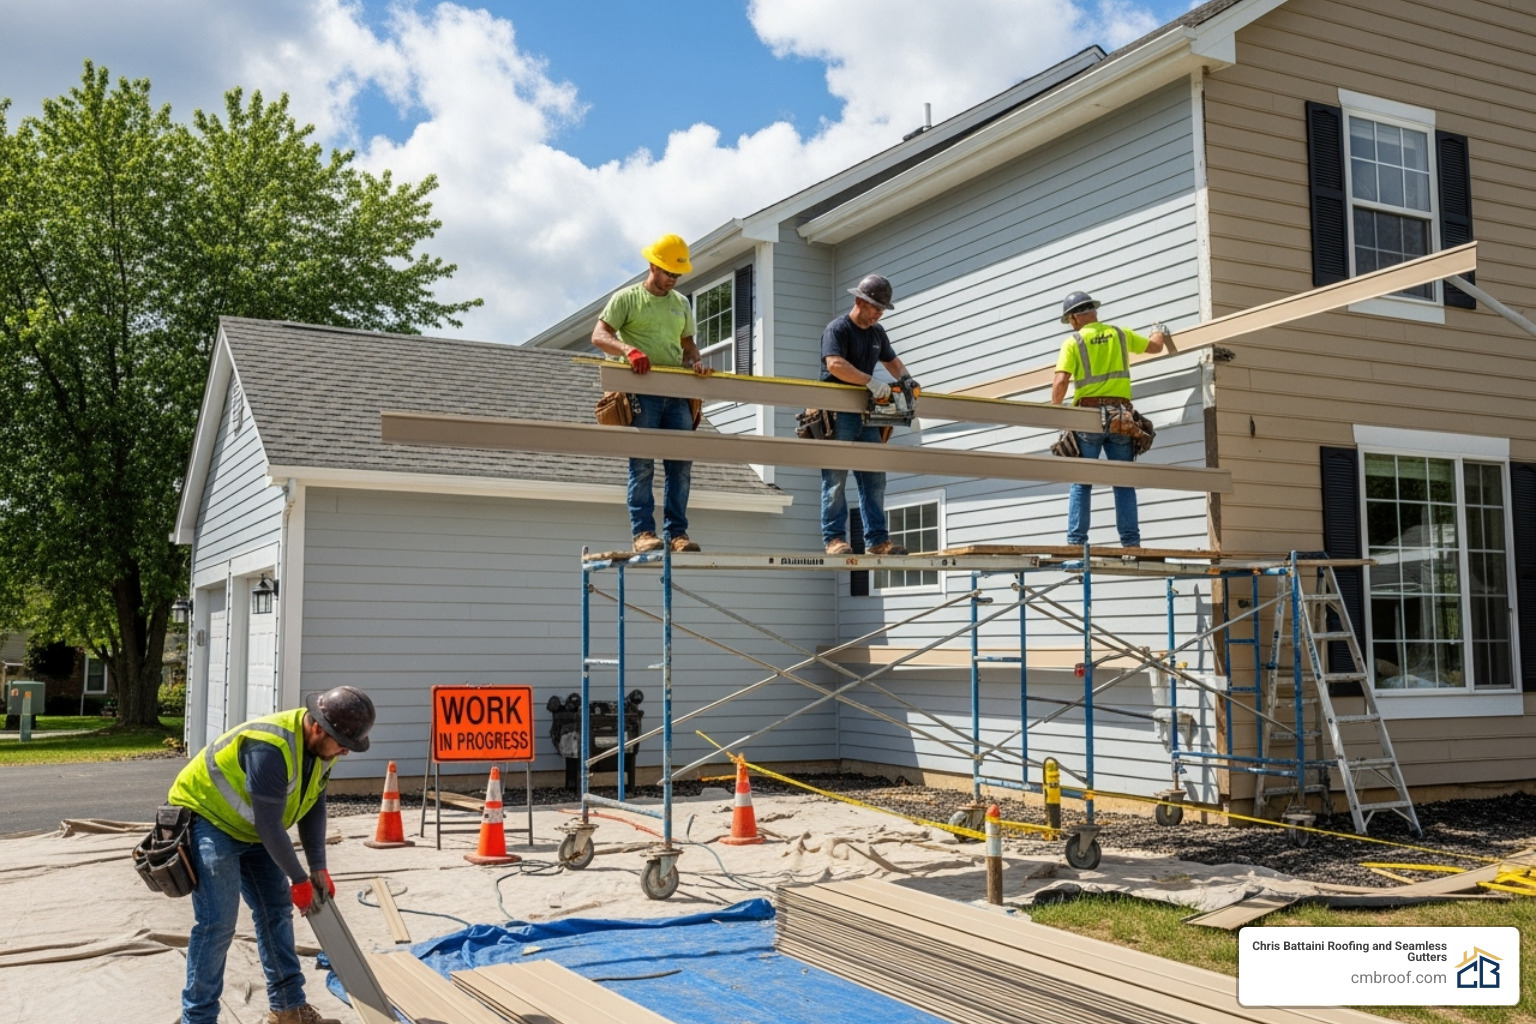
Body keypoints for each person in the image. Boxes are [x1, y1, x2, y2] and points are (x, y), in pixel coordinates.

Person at [168, 686, 376, 1024]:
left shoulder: (323, 752)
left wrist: (317, 867)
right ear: (318, 727)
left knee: (275, 910)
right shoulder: (270, 747)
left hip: (250, 825)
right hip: (210, 820)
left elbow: (313, 807)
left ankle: (287, 1009)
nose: (345, 752)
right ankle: (198, 1018)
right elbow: (269, 825)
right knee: (217, 922)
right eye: (342, 743)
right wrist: (298, 878)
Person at [592, 232, 713, 553]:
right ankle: (644, 533)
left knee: (681, 466)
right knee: (642, 464)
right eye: (669, 272)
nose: (673, 279)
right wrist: (627, 350)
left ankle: (677, 535)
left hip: (676, 395)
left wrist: (697, 363)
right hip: (640, 394)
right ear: (652, 266)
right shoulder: (627, 299)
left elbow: (688, 346)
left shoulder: (681, 303)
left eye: (678, 274)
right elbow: (599, 335)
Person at [1049, 290, 1173, 549]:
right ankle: (1131, 544)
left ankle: (1075, 544)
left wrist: (1054, 411)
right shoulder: (1120, 334)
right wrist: (1159, 329)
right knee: (1123, 481)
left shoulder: (1073, 342)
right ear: (1094, 311)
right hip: (1120, 417)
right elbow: (1155, 346)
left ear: (1074, 318)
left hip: (1088, 417)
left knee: (1082, 482)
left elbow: (1061, 382)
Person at [819, 274, 920, 556]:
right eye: (875, 307)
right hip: (839, 413)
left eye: (882, 309)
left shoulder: (877, 333)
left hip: (868, 413)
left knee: (874, 478)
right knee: (835, 477)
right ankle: (835, 539)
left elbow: (892, 361)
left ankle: (877, 541)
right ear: (859, 301)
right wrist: (870, 382)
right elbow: (835, 364)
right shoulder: (838, 329)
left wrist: (907, 379)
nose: (878, 313)